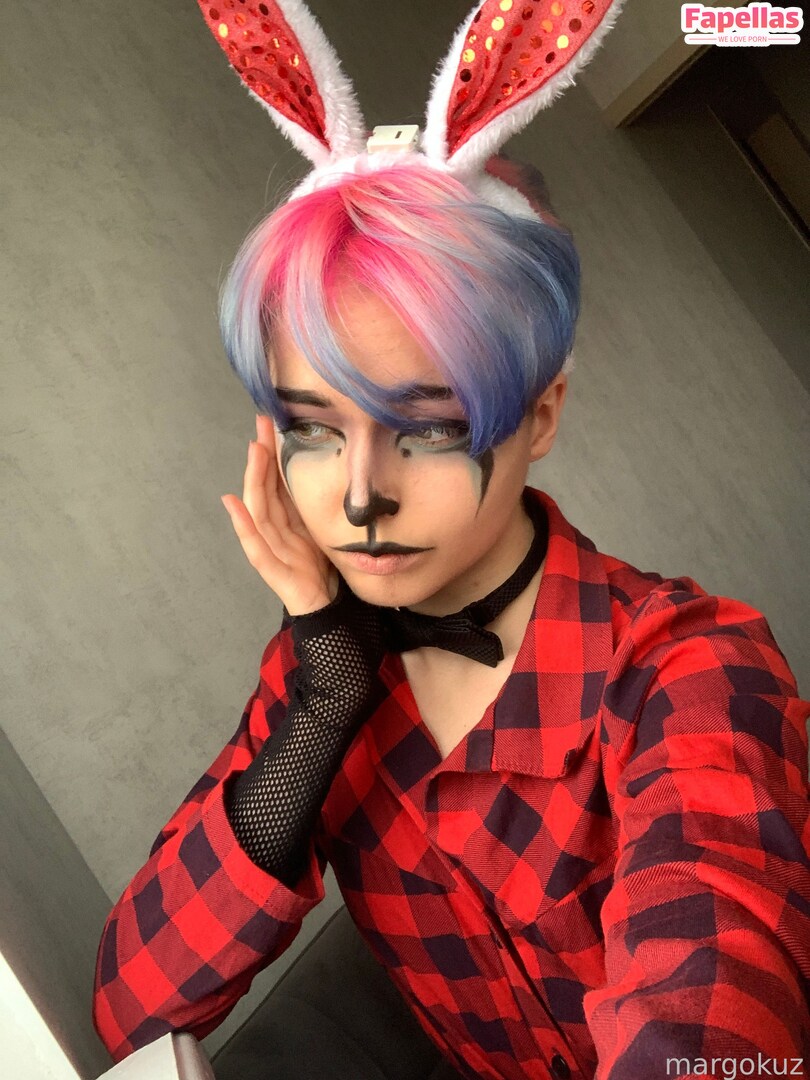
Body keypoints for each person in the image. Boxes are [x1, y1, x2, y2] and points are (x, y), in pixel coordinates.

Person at [93, 2, 810, 1077]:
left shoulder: (688, 670)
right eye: (313, 429)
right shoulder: (320, 675)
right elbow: (128, 1012)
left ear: (541, 414)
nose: (361, 499)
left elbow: (710, 1022)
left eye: (428, 429)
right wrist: (320, 713)